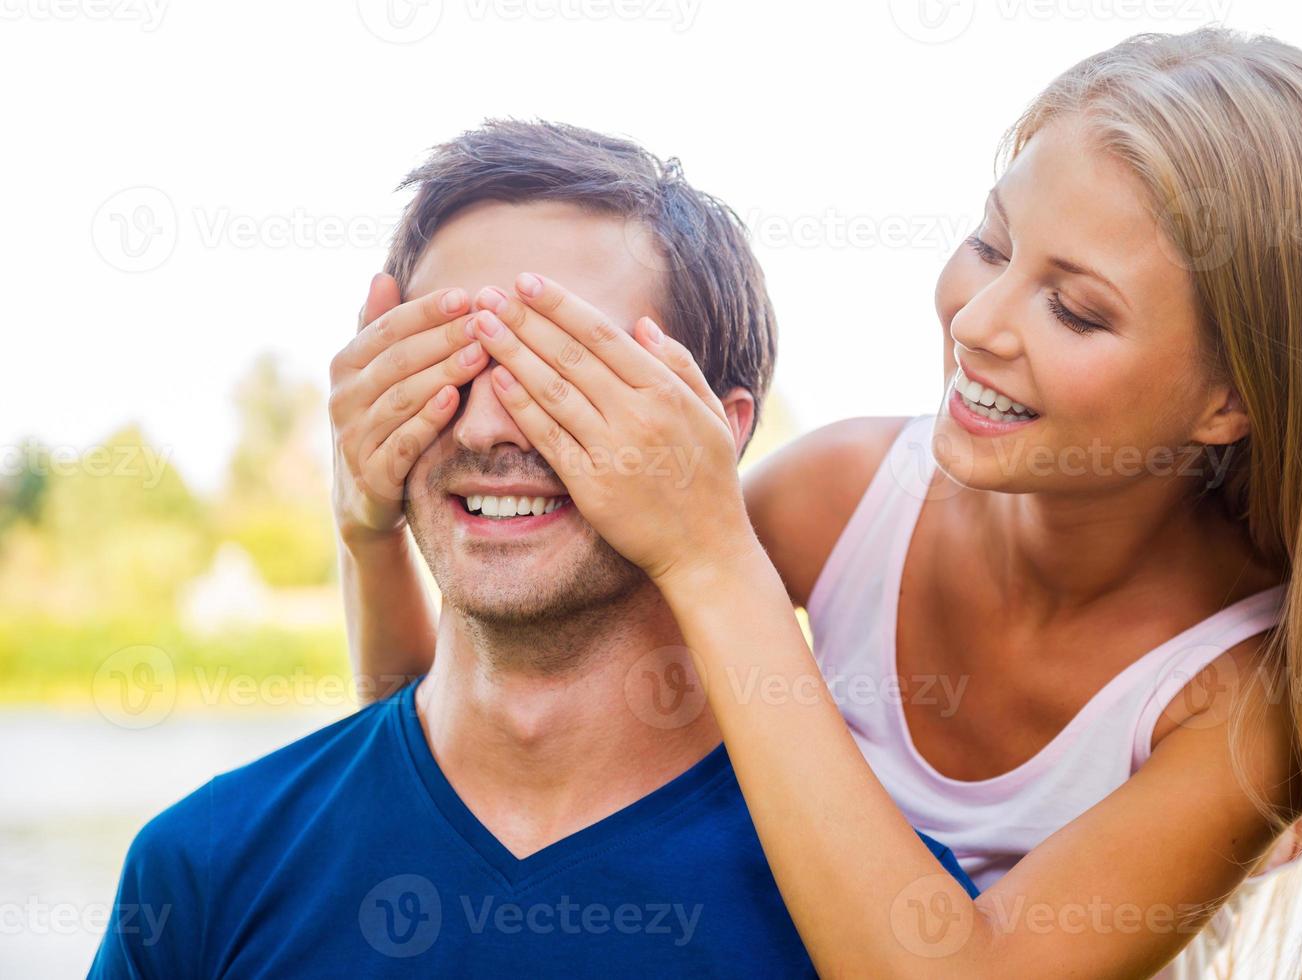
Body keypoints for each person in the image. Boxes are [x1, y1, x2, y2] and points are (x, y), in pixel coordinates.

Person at [339, 29, 1302, 979]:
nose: (978, 320)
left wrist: (712, 555)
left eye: (1076, 309)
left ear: (1228, 398)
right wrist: (365, 526)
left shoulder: (1239, 696)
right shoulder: (841, 500)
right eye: (991, 246)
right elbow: (469, 739)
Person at [87, 119, 978, 980]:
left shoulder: (883, 930)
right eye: (444, 364)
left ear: (718, 430)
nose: (481, 424)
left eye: (561, 370)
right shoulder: (200, 870)